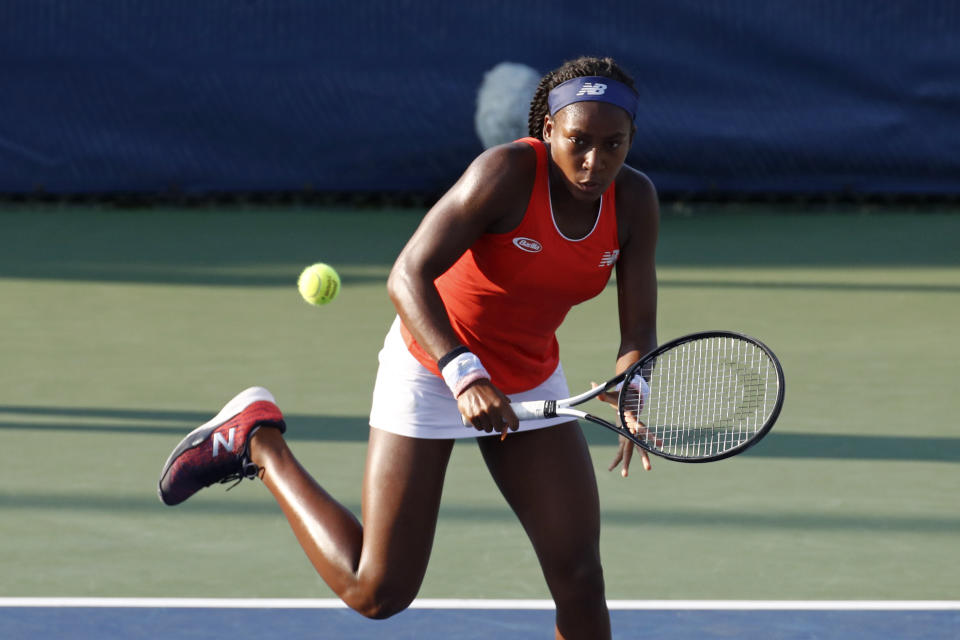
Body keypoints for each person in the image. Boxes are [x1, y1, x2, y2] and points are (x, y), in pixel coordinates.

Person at [158, 55, 659, 640]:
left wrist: (633, 384)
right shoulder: (505, 174)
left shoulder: (635, 201)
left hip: (528, 376)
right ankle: (257, 441)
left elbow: (637, 333)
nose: (595, 160)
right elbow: (407, 275)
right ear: (548, 131)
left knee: (579, 577)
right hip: (432, 363)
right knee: (379, 591)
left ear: (631, 141)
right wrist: (463, 374)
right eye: (578, 140)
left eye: (613, 144)